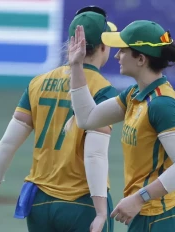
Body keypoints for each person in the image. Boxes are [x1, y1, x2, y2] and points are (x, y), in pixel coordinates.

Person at [0, 6, 117, 232]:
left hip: (40, 204)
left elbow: (8, 144)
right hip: (82, 202)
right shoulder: (103, 90)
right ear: (103, 47)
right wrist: (100, 211)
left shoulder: (38, 83)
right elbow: (94, 154)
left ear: (71, 44)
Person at [68, 20, 175, 232]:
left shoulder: (162, 105)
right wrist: (76, 65)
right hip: (144, 214)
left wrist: (140, 198)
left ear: (141, 59)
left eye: (123, 51)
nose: (116, 56)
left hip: (160, 217)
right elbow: (87, 118)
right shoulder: (134, 95)